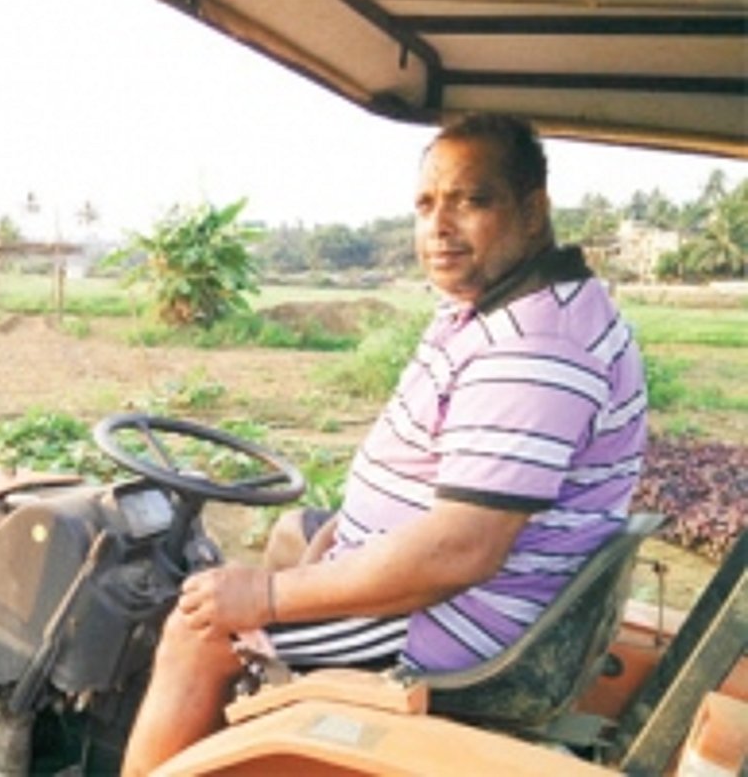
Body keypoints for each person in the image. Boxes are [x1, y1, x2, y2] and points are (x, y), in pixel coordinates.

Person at [121, 113, 648, 775]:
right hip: (479, 590)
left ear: (532, 211)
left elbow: (461, 549)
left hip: (455, 622)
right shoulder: (499, 304)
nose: (439, 225)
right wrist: (333, 544)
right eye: (426, 205)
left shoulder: (537, 346)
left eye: (470, 200)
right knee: (291, 533)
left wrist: (268, 597)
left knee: (199, 629)